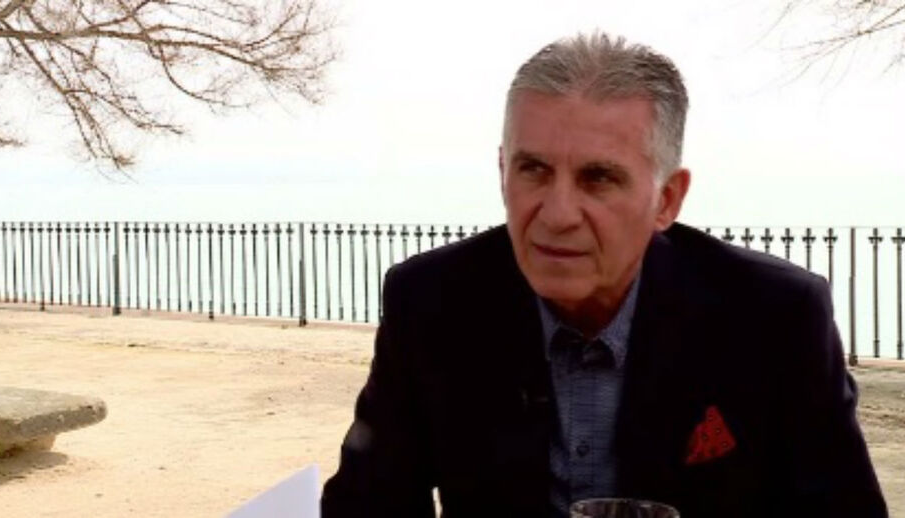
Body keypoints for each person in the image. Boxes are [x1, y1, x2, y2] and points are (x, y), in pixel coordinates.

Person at [321, 31, 887, 518]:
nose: (557, 214)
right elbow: (366, 506)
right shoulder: (432, 302)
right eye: (533, 169)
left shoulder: (774, 316)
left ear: (667, 198)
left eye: (598, 178)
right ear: (502, 171)